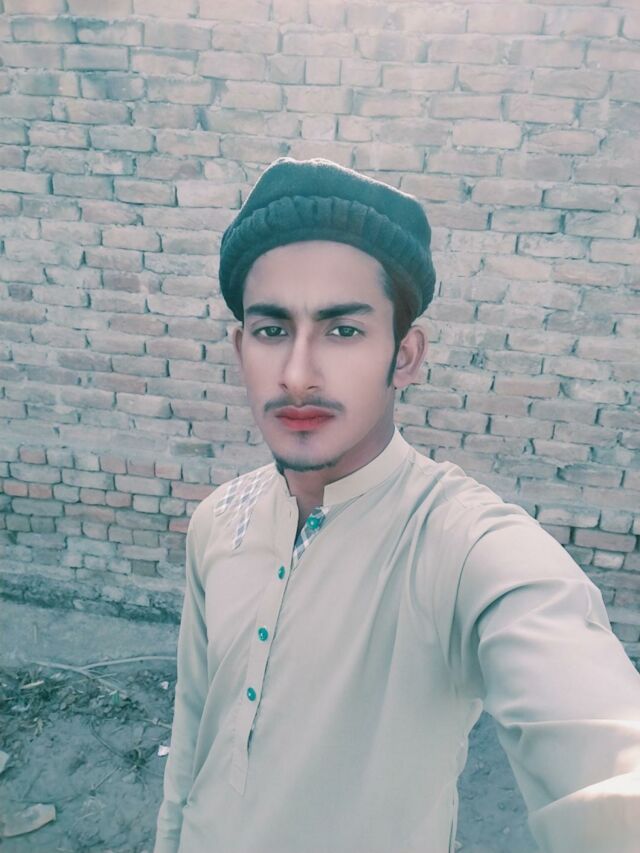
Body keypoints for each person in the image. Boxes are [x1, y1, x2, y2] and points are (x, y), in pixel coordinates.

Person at [154, 157, 640, 853]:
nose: (297, 374)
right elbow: (192, 732)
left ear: (405, 356)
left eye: (343, 330)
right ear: (240, 347)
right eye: (271, 330)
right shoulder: (217, 521)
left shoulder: (461, 545)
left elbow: (604, 751)